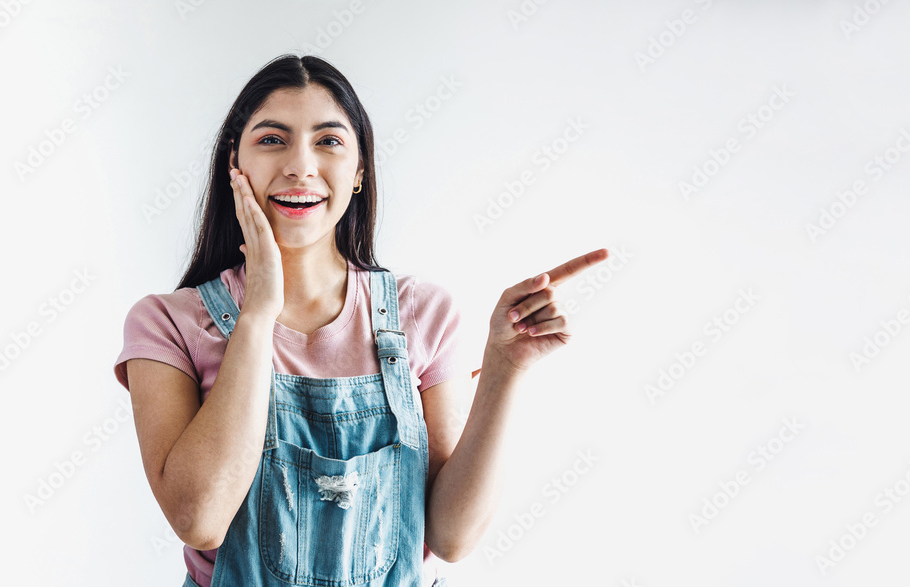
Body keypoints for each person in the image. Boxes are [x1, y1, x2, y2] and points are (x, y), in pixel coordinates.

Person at [113, 53, 608, 586]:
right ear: (235, 163)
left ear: (359, 172)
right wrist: (257, 315)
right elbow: (200, 521)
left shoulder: (423, 314)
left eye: (328, 141)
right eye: (272, 139)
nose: (301, 165)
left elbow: (451, 537)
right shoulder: (167, 323)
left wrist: (505, 369)